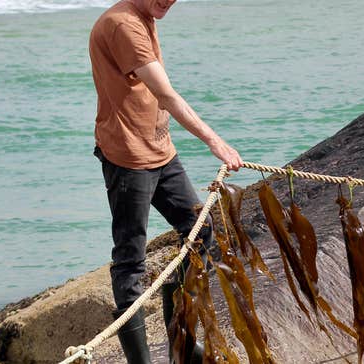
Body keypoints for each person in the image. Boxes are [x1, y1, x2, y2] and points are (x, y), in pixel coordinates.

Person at [89, 0, 242, 363]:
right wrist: (214, 141)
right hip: (128, 158)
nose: (169, 0)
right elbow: (166, 94)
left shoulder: (144, 15)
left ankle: (180, 341)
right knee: (131, 259)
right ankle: (141, 361)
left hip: (160, 151)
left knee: (200, 231)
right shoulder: (123, 25)